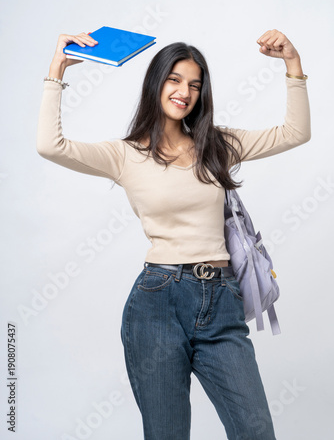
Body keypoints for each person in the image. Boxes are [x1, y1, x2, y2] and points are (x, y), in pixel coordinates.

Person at [37, 29, 311, 440]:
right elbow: (50, 145)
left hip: (222, 301)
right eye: (175, 79)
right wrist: (57, 69)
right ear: (157, 83)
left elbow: (295, 133)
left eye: (195, 85)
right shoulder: (125, 154)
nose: (185, 91)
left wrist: (293, 65)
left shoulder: (217, 145)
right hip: (157, 302)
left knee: (257, 432)